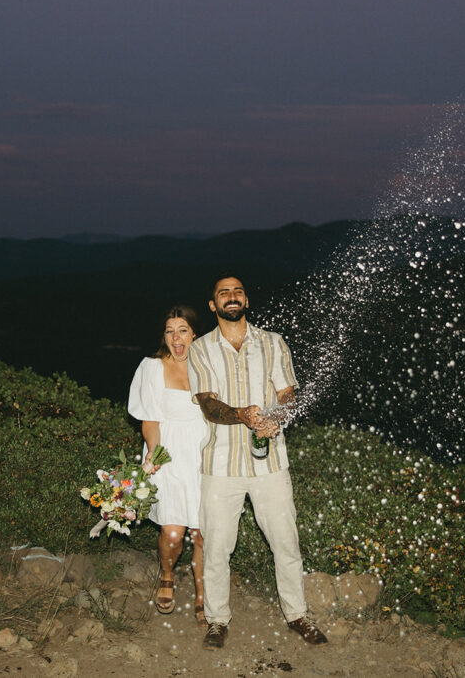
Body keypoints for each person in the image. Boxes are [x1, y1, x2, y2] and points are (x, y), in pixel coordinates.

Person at [187, 275, 327, 649]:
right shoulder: (200, 349)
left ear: (246, 299)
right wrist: (244, 415)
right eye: (223, 293)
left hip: (270, 464)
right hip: (220, 465)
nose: (231, 297)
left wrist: (274, 419)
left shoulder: (272, 342)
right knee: (217, 546)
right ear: (213, 305)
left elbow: (287, 395)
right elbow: (208, 404)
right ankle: (217, 621)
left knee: (286, 541)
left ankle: (297, 614)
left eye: (237, 291)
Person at [127, 306, 209, 627]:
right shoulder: (152, 367)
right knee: (173, 533)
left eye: (183, 330)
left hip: (205, 455)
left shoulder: (210, 367)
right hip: (170, 454)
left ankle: (202, 594)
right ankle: (167, 572)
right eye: (170, 331)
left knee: (202, 534)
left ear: (194, 335)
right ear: (164, 336)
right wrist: (153, 452)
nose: (176, 338)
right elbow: (150, 419)